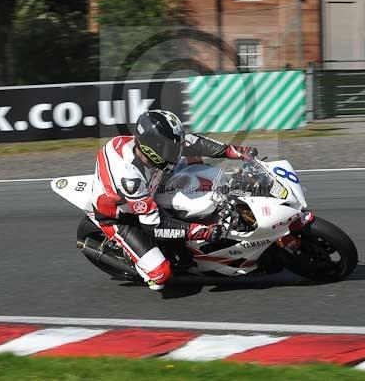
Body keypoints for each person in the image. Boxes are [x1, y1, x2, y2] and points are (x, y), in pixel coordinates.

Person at [91, 109, 257, 291]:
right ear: (152, 147)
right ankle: (139, 261)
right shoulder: (130, 178)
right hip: (121, 216)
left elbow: (196, 143)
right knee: (161, 275)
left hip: (151, 184)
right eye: (171, 148)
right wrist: (201, 232)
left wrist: (239, 153)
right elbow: (153, 226)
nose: (177, 151)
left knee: (199, 174)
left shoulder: (154, 150)